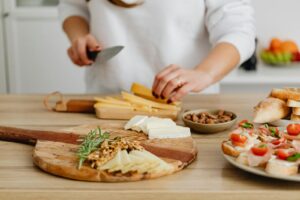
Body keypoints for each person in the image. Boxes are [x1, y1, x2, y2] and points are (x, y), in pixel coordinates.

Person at [59, 0, 255, 103]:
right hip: (107, 101)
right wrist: (79, 35)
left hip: (187, 108)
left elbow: (238, 30)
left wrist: (205, 73)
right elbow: (72, 6)